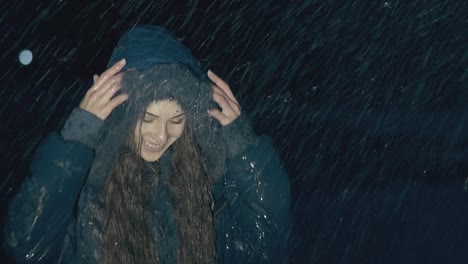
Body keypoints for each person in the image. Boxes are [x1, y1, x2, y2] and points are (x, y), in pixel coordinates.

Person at [3, 25, 291, 263]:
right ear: (123, 113)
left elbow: (266, 247)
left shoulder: (203, 185)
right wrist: (78, 135)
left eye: (176, 120)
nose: (161, 135)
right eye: (148, 118)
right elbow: (27, 247)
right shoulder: (85, 185)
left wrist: (244, 145)